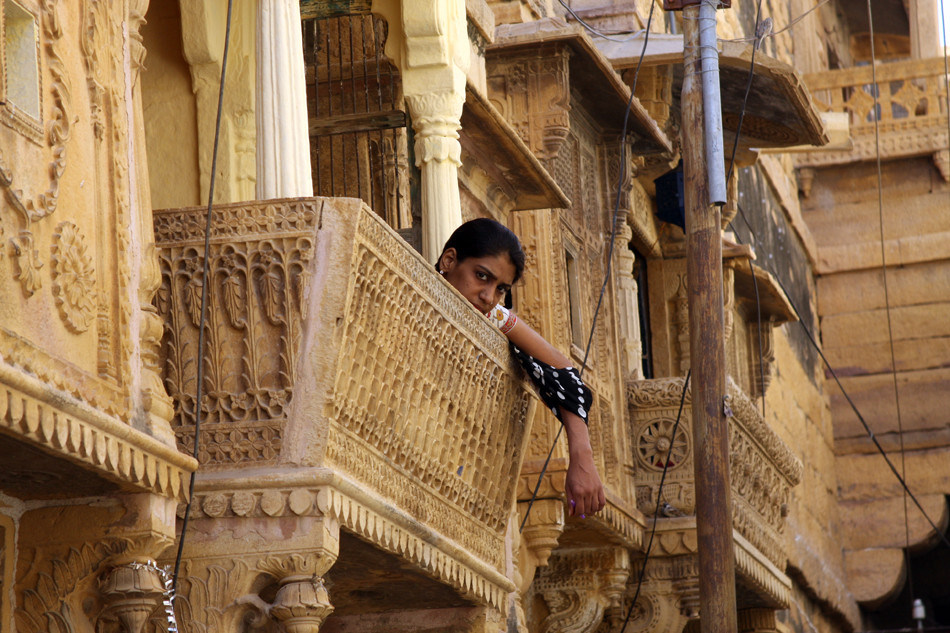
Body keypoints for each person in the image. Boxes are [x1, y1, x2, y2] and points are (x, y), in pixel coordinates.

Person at [436, 218, 606, 518]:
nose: (488, 297)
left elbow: (566, 376)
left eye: (500, 289)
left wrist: (582, 456)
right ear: (449, 260)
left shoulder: (495, 316)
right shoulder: (411, 281)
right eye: (481, 276)